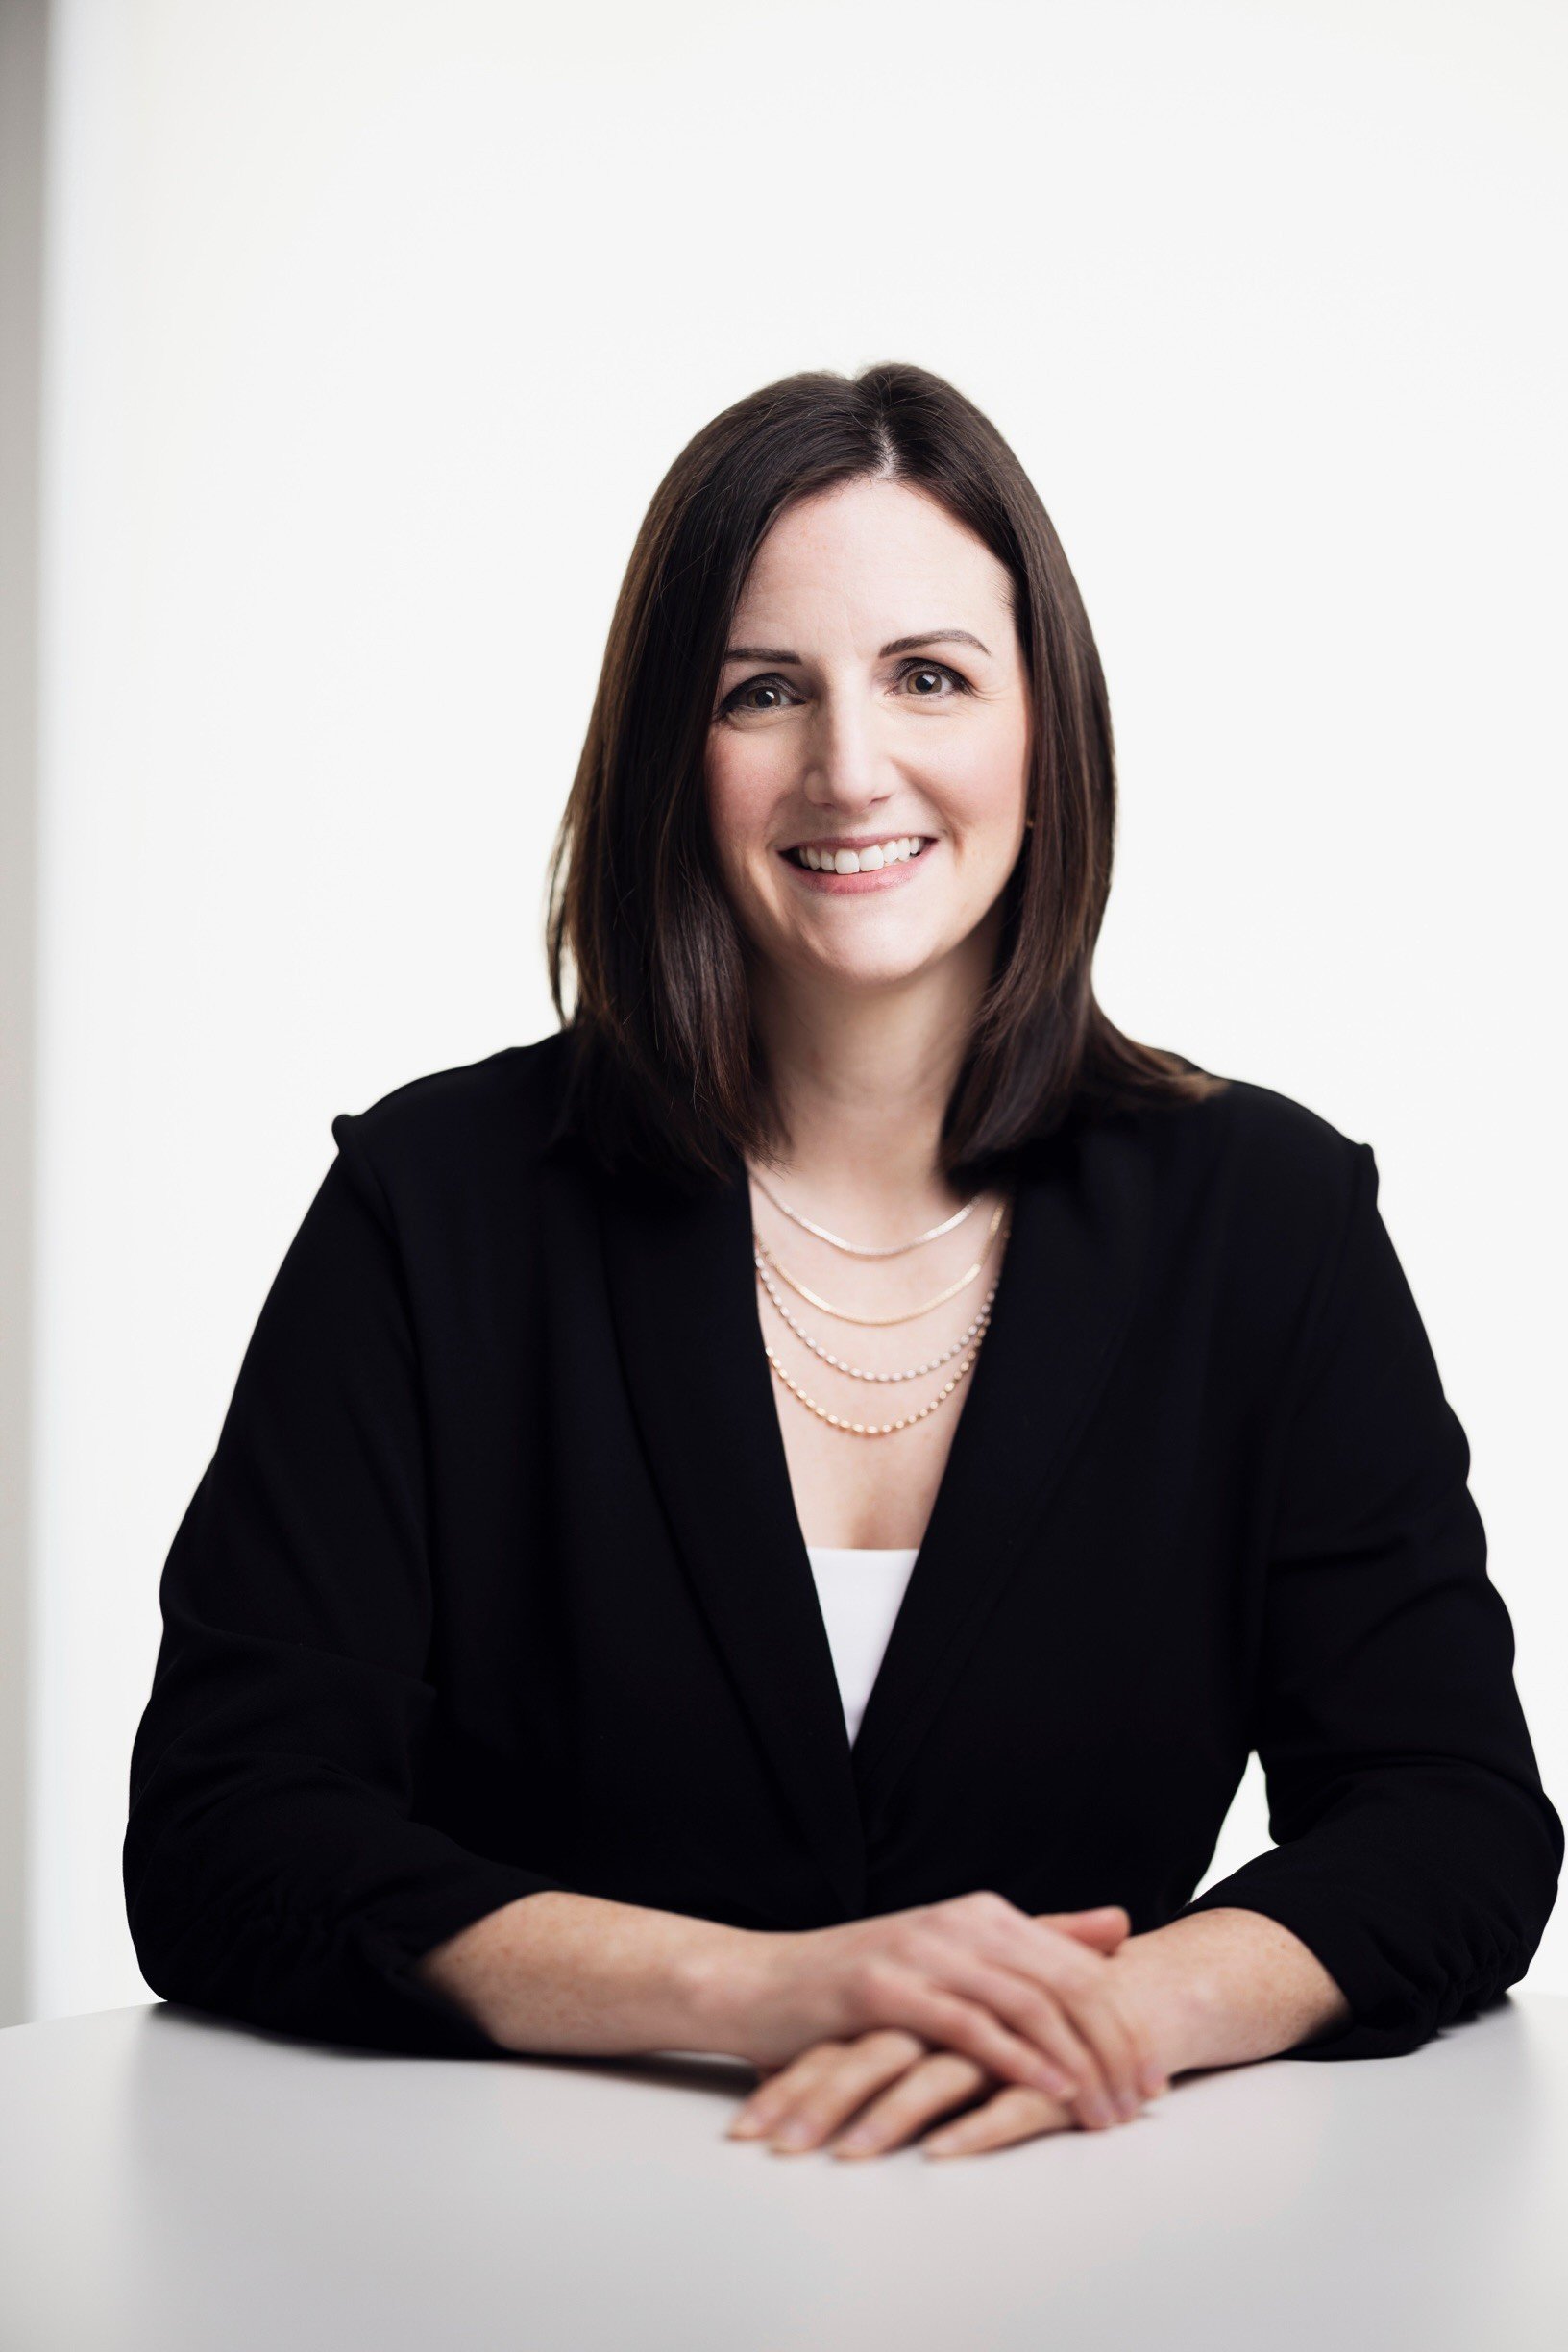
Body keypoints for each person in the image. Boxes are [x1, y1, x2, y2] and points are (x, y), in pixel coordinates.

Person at [124, 361, 1562, 2164]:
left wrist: (1112, 2018)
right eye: (763, 691)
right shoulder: (436, 1204)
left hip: (1099, 2258)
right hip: (525, 2259)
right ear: (672, 749)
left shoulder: (1265, 1221)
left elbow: (1452, 1813)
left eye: (931, 678)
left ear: (1048, 727)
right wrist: (757, 1992)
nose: (849, 768)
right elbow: (225, 1832)